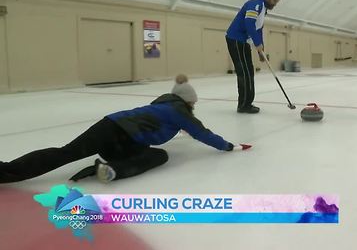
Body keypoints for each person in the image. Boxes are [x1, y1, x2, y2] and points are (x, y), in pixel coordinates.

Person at [0, 75, 250, 184]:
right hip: (120, 139)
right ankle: (112, 170)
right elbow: (203, 133)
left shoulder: (162, 106)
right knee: (159, 156)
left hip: (108, 127)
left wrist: (181, 128)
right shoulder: (180, 113)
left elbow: (162, 124)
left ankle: (6, 170)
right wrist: (231, 145)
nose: (194, 106)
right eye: (193, 103)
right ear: (188, 102)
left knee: (64, 152)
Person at [226, 0, 282, 114]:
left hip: (243, 41)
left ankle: (247, 103)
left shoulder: (263, 9)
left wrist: (260, 49)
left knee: (249, 71)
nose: (275, 4)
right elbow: (249, 23)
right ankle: (243, 105)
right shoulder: (255, 4)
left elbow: (258, 28)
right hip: (236, 39)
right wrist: (257, 43)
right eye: (274, 1)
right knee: (244, 72)